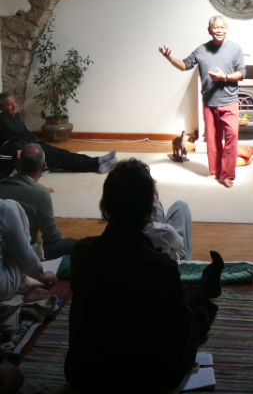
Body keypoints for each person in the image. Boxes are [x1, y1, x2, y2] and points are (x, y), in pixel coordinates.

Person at [64, 158, 224, 393]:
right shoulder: (160, 266)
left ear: (106, 202)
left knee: (182, 299)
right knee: (195, 316)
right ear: (150, 206)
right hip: (145, 378)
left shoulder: (81, 252)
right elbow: (179, 329)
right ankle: (203, 292)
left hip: (85, 373)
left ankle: (200, 291)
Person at [159, 16, 246, 188]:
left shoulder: (235, 48)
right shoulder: (201, 50)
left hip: (229, 102)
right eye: (215, 27)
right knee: (212, 141)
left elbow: (242, 73)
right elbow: (185, 65)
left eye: (222, 27)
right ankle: (214, 172)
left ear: (226, 29)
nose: (219, 30)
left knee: (232, 137)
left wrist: (225, 77)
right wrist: (170, 58)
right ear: (209, 30)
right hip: (209, 103)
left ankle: (227, 175)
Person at [0, 92, 117, 174]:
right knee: (62, 157)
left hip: (35, 143)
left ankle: (98, 162)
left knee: (63, 154)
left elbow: (24, 133)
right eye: (9, 105)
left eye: (14, 103)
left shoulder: (16, 116)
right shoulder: (1, 120)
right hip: (28, 150)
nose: (14, 106)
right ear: (1, 108)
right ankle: (97, 163)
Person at [0, 143, 77, 260]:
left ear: (18, 164)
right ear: (43, 167)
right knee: (74, 244)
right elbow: (52, 237)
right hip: (21, 251)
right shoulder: (40, 195)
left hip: (3, 246)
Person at [0, 198, 56, 304]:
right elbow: (23, 255)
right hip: (2, 289)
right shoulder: (4, 209)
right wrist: (42, 277)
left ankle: (23, 282)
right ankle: (23, 284)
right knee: (13, 205)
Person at [144, 193, 192, 261]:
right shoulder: (166, 231)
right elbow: (180, 245)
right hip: (173, 261)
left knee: (180, 205)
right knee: (182, 206)